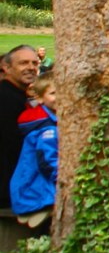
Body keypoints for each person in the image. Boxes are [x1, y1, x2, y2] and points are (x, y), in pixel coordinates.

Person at [9, 76, 58, 226]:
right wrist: (63, 180)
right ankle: (39, 207)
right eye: (54, 93)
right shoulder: (47, 128)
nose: (60, 97)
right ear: (40, 98)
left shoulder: (46, 121)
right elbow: (48, 161)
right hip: (36, 189)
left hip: (28, 187)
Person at [0, 45, 41, 207]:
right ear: (6, 68)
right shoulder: (5, 98)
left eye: (35, 63)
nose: (31, 68)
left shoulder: (18, 96)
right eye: (24, 63)